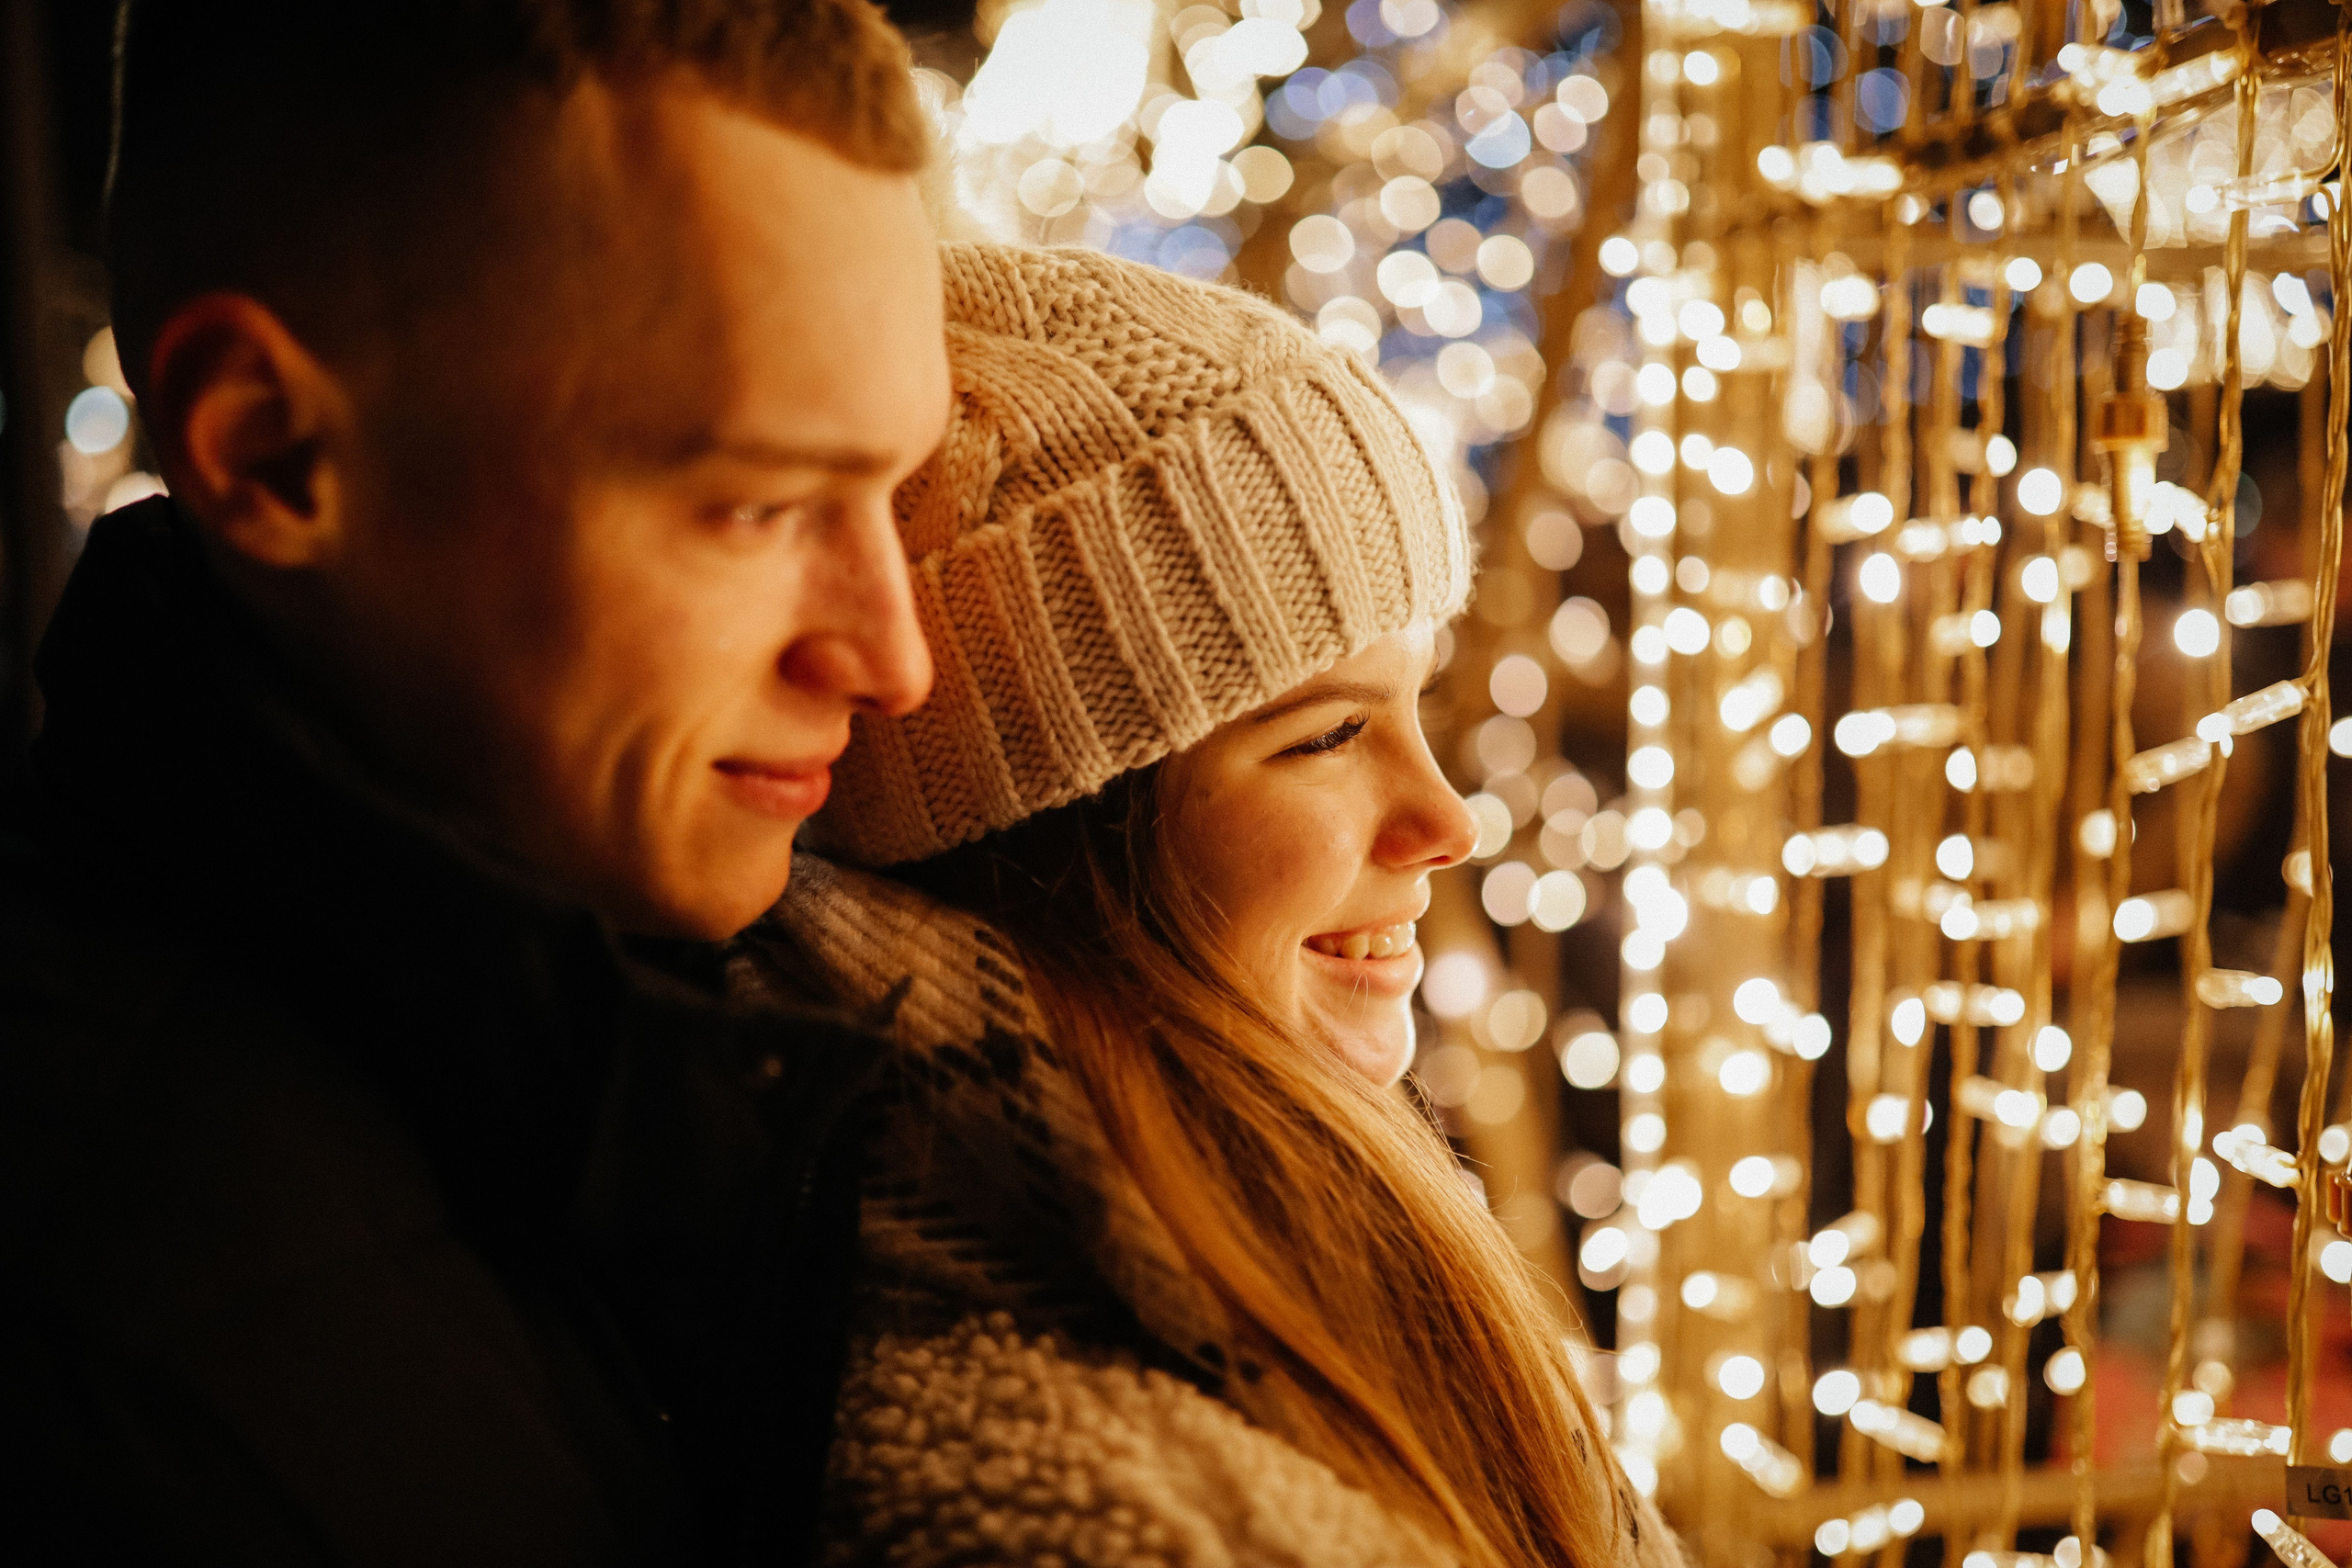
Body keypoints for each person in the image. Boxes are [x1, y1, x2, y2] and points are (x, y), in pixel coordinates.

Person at [0, 3, 948, 1561]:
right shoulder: (129, 1373)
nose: (892, 659)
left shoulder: (651, 1070)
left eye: (895, 493)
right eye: (759, 505)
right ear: (270, 452)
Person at [737, 243, 1682, 1568]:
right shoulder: (1069, 1502)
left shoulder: (1324, 1231)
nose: (1450, 823)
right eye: (1326, 737)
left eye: (1415, 705)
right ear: (1055, 825)